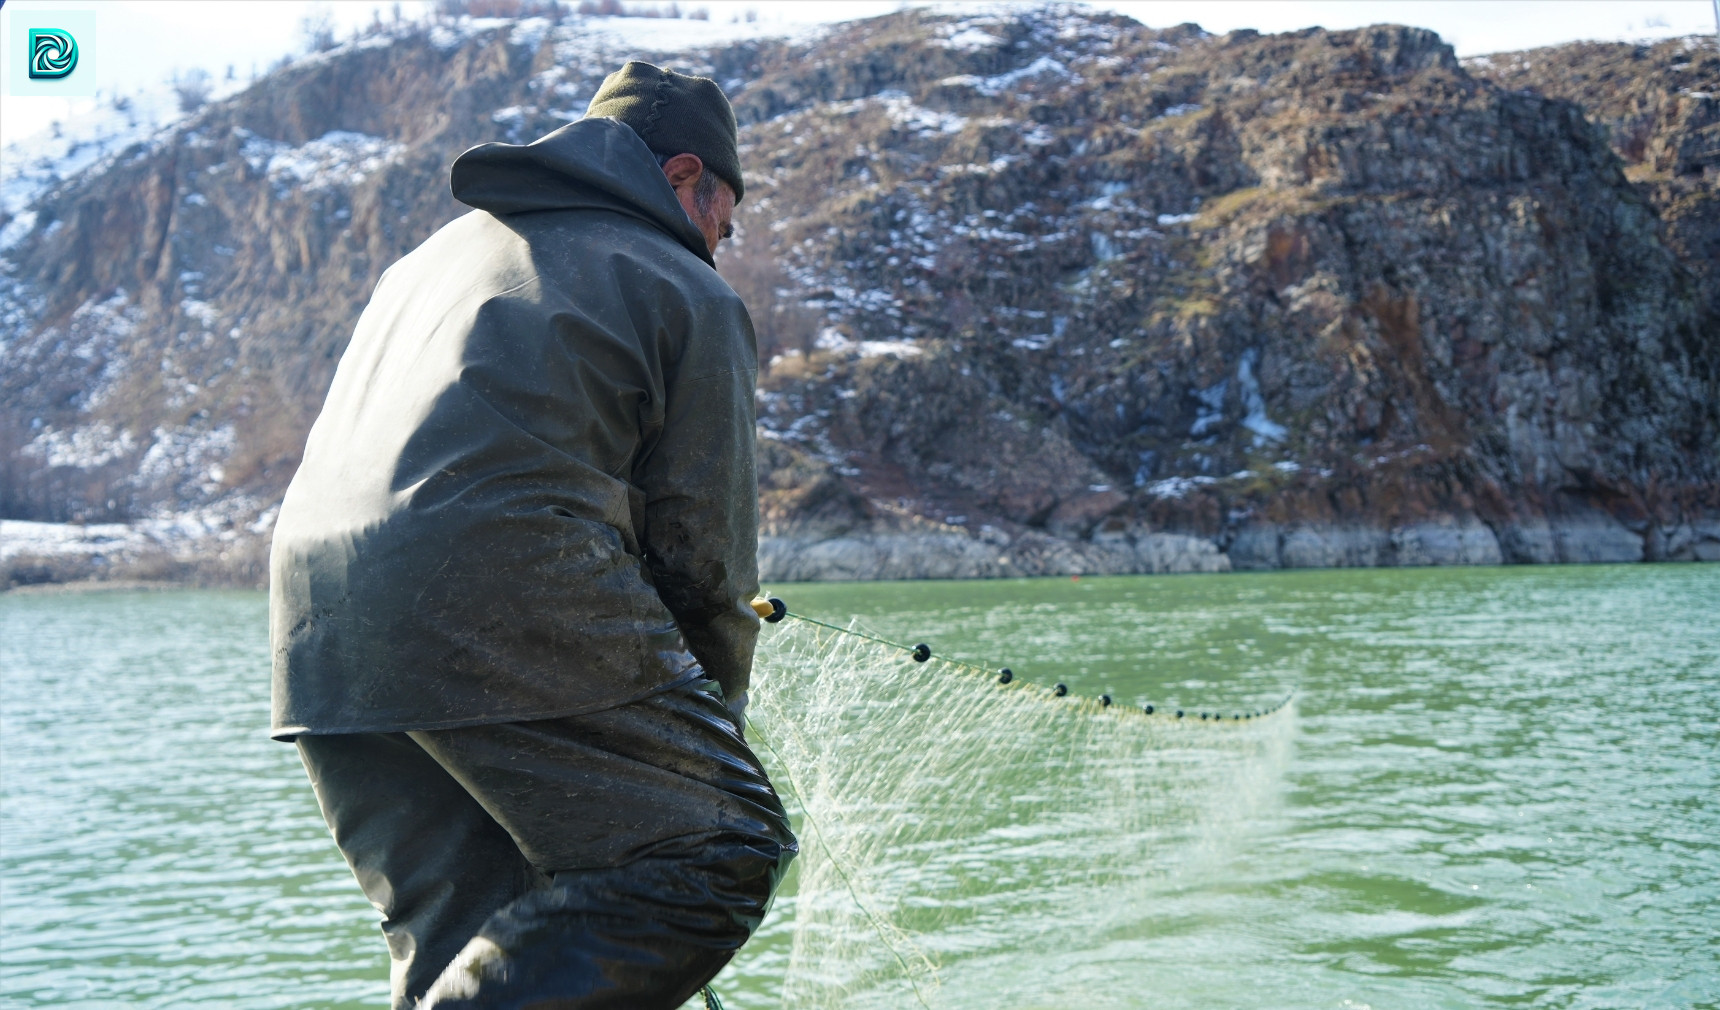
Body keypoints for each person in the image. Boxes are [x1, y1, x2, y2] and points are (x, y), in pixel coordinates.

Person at [268, 61, 795, 1009]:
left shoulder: (426, 261)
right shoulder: (685, 288)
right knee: (720, 841)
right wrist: (705, 734)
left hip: (315, 632)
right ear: (684, 179)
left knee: (470, 936)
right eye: (728, 212)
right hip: (495, 588)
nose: (726, 238)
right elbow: (702, 562)